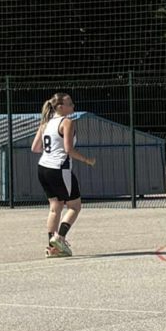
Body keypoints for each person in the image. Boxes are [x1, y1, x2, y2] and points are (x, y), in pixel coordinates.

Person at [30, 93, 95, 257]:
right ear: (60, 107)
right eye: (69, 104)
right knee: (75, 206)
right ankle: (59, 238)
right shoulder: (67, 122)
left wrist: (52, 150)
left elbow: (35, 148)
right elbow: (68, 150)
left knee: (55, 207)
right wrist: (87, 160)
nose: (73, 106)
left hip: (43, 168)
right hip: (59, 169)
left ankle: (52, 249)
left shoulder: (45, 123)